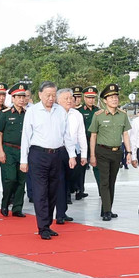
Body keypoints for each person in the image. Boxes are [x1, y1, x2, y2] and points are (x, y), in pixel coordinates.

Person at [20, 82, 76, 239]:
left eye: (53, 95)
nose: (51, 98)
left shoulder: (60, 111)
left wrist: (72, 155)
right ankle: (42, 226)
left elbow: (67, 135)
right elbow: (26, 136)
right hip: (38, 155)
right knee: (41, 192)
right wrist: (23, 160)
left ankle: (48, 224)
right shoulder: (32, 112)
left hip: (57, 155)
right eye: (48, 95)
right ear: (40, 95)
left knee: (53, 191)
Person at [88, 84, 132, 221]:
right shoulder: (98, 116)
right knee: (104, 182)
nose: (114, 99)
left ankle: (107, 209)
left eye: (116, 97)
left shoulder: (123, 115)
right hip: (102, 151)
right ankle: (106, 211)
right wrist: (92, 155)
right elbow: (93, 136)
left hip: (117, 152)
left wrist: (129, 152)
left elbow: (125, 134)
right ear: (105, 100)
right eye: (111, 97)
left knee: (112, 181)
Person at [0, 84, 29, 217]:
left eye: (23, 97)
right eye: (18, 97)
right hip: (9, 150)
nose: (21, 99)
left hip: (23, 151)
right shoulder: (6, 114)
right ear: (13, 98)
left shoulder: (28, 114)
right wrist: (1, 151)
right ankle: (5, 204)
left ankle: (17, 208)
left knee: (21, 180)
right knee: (10, 179)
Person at [54, 88, 87, 224]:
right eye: (66, 98)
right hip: (58, 151)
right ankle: (60, 213)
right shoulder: (53, 113)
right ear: (58, 100)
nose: (69, 100)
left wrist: (84, 154)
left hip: (73, 151)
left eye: (70, 98)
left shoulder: (77, 114)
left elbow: (81, 135)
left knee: (69, 181)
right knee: (60, 181)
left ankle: (63, 210)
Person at [75, 86, 100, 200]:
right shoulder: (78, 112)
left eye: (93, 98)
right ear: (84, 98)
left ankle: (102, 191)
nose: (91, 100)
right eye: (89, 98)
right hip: (83, 143)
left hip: (95, 143)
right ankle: (80, 190)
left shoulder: (98, 111)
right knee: (81, 168)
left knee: (97, 167)